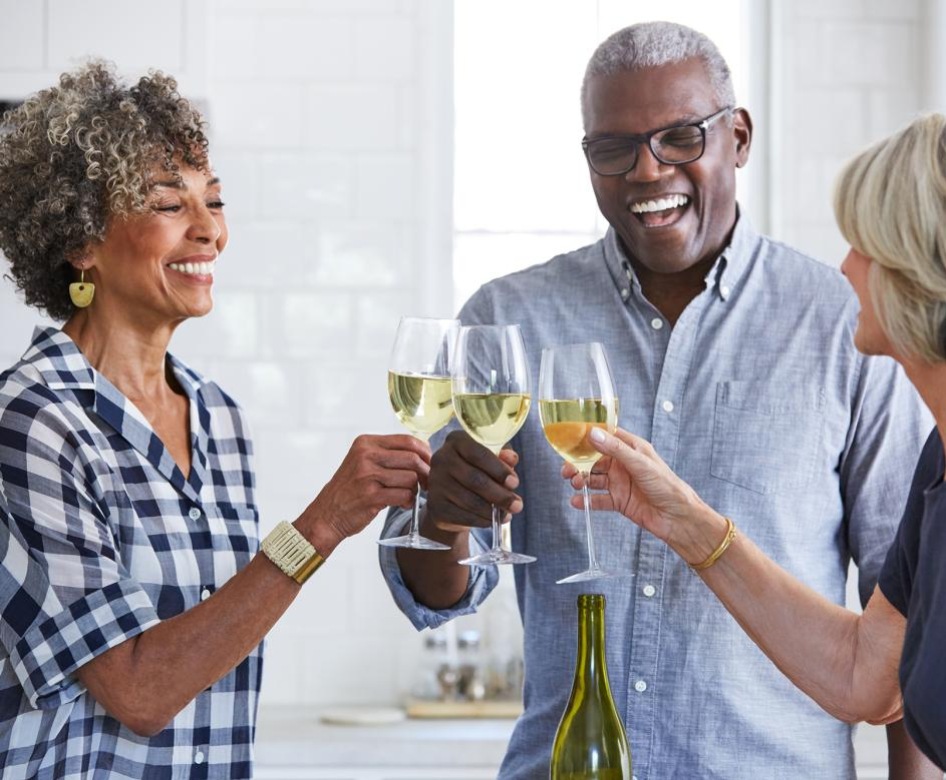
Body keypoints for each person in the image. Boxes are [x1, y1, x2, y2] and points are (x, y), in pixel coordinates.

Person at [379, 21, 939, 779]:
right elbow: (438, 594)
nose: (647, 171)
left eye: (680, 138)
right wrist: (440, 518)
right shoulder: (508, 319)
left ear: (737, 137)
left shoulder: (846, 321)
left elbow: (905, 624)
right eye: (613, 149)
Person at [0, 62, 431, 779]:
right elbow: (139, 689)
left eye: (216, 202)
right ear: (81, 241)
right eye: (170, 204)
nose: (209, 232)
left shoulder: (218, 419)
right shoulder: (34, 420)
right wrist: (321, 526)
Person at [571, 112, 946, 772]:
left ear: (917, 271)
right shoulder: (936, 467)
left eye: (865, 247)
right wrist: (686, 523)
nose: (845, 267)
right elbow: (865, 679)